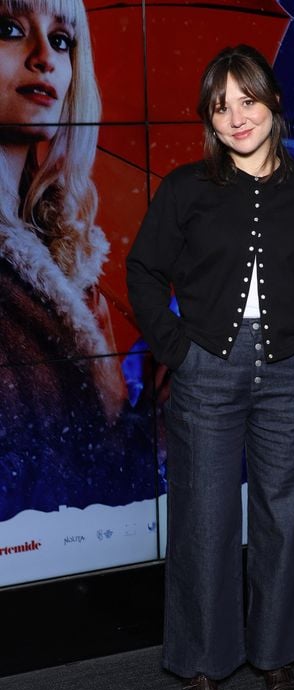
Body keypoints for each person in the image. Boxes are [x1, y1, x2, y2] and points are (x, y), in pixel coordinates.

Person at [125, 44, 294, 690]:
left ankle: (275, 653)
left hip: (291, 368)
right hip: (206, 370)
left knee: (286, 516)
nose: (236, 117)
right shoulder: (186, 190)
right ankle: (202, 664)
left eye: (246, 100)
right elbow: (140, 271)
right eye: (220, 106)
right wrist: (176, 350)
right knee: (205, 518)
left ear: (273, 102)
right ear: (209, 119)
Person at [0, 0, 153, 520]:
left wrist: (139, 411)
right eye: (10, 29)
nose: (45, 56)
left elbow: (92, 485)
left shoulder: (64, 264)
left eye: (62, 40)